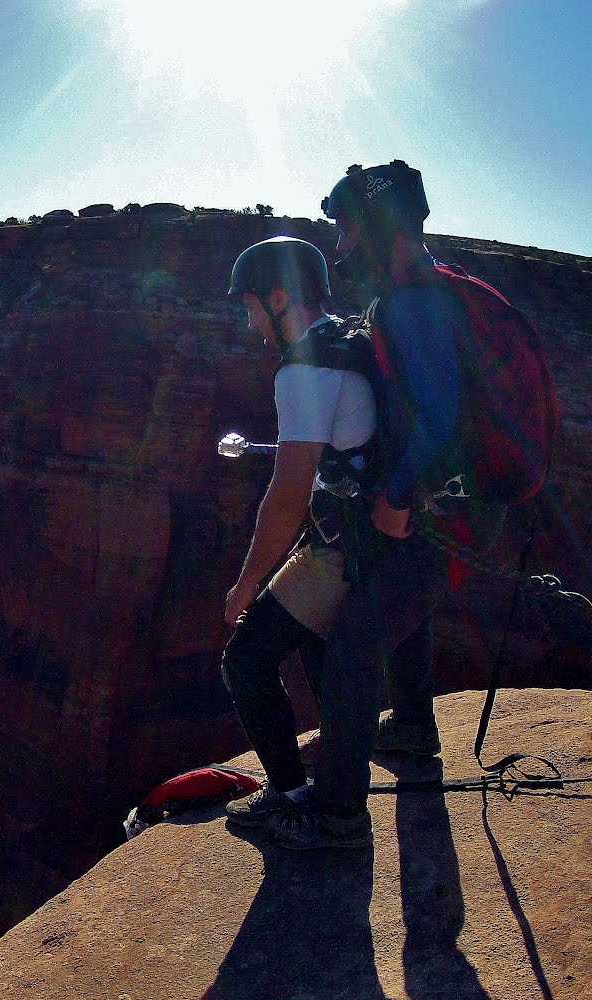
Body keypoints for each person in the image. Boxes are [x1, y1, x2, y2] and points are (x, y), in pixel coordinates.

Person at [270, 160, 482, 851]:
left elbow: (441, 414)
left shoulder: (412, 303)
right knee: (398, 601)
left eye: (346, 227)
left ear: (375, 225)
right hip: (453, 498)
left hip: (443, 502)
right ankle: (415, 727)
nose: (339, 246)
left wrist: (396, 496)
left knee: (356, 643)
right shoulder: (426, 287)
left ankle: (335, 817)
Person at [218, 236, 381, 835]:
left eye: (251, 305)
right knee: (316, 654)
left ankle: (294, 798)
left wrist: (243, 588)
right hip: (368, 537)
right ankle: (337, 774)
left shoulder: (304, 370)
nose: (249, 318)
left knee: (246, 659)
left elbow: (286, 497)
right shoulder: (344, 340)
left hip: (344, 550)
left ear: (280, 298)